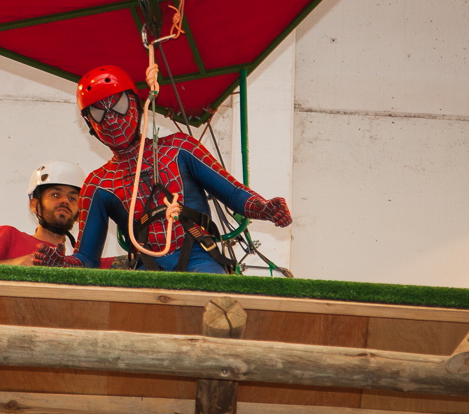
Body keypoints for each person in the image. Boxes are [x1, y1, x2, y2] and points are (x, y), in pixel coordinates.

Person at [34, 65, 291, 274]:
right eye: (99, 113)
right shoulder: (98, 184)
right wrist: (64, 263)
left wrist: (263, 207)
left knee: (211, 293)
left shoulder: (179, 149)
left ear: (136, 104)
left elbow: (232, 193)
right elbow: (87, 257)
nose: (111, 119)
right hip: (147, 266)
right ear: (90, 124)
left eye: (119, 105)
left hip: (199, 255)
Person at [0, 161, 85, 266]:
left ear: (79, 214)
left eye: (72, 198)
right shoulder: (9, 235)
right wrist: (18, 264)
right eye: (55, 194)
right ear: (35, 205)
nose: (65, 200)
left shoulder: (77, 263)